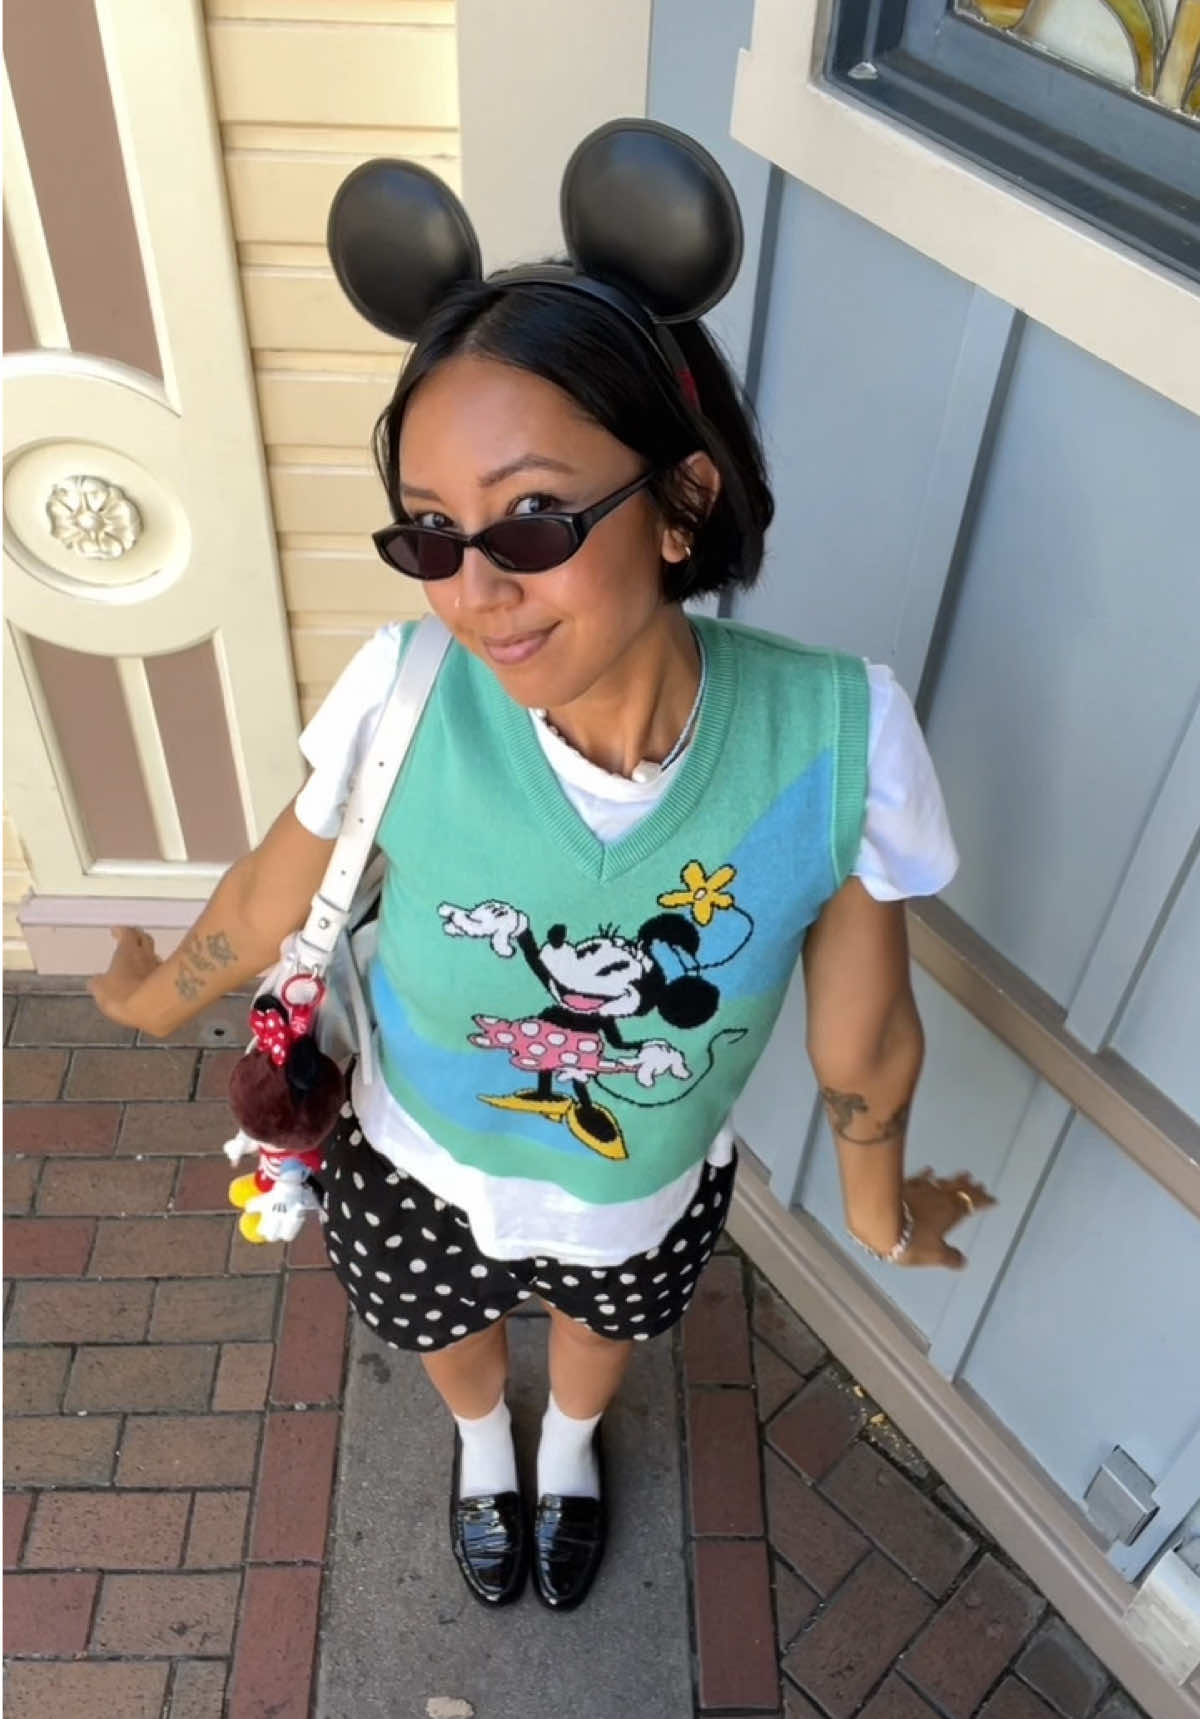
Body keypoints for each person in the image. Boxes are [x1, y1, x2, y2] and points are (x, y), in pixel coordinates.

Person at [91, 123, 993, 1616]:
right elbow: (268, 900)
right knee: (442, 1328)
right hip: (417, 1157)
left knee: (600, 1325)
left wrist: (881, 1211)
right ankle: (480, 1448)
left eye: (532, 519)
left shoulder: (841, 737)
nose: (477, 589)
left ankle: (565, 1446)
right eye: (432, 534)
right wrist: (153, 1002)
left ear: (683, 502)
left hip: (639, 1184)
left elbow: (866, 1041)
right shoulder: (402, 695)